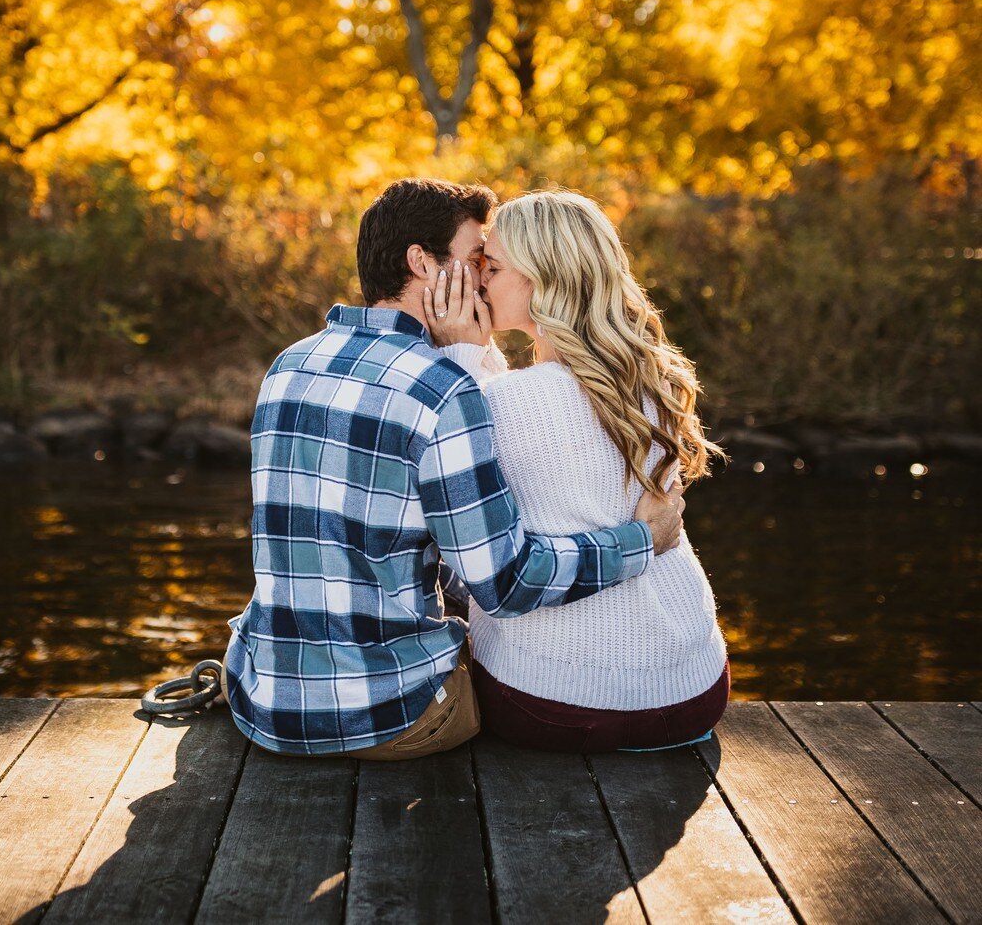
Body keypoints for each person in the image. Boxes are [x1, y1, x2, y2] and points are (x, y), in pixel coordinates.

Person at [221, 178, 684, 759]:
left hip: (263, 698)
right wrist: (642, 540)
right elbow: (504, 584)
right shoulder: (442, 390)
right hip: (389, 717)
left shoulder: (290, 363)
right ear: (421, 261)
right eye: (474, 260)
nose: (484, 281)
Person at [426, 190, 730, 754]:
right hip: (693, 693)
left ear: (542, 281)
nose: (478, 283)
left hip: (551, 703)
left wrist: (455, 354)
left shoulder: (497, 403)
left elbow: (477, 566)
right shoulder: (656, 379)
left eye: (490, 268)